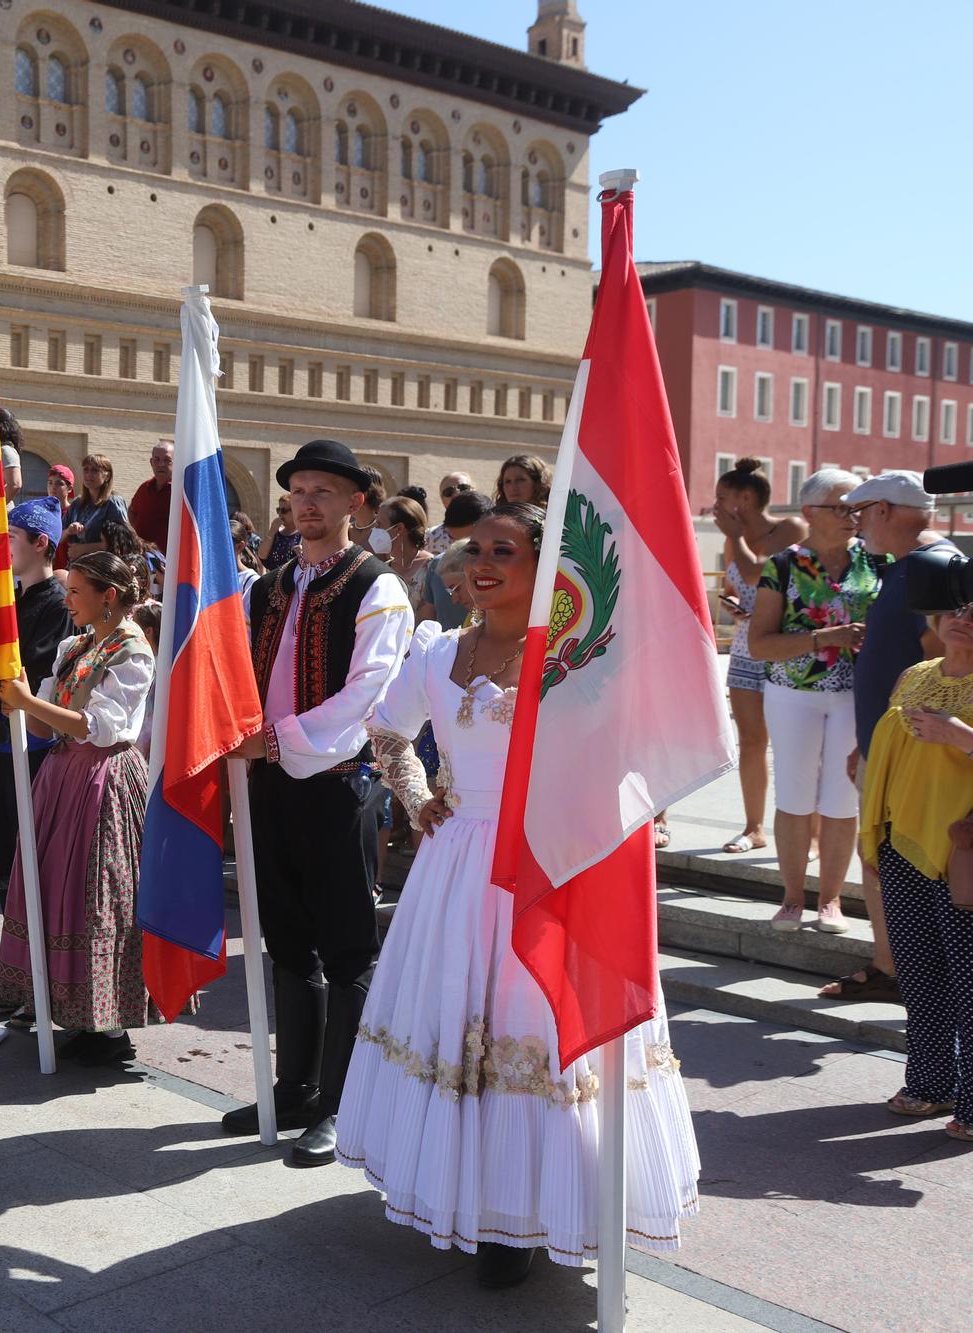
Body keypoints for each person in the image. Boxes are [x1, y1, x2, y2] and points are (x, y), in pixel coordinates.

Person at [339, 502, 701, 1287]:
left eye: (505, 549)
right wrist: (416, 795)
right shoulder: (437, 652)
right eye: (474, 547)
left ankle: (534, 1212)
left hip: (546, 865)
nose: (481, 561)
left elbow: (631, 745)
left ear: (547, 567)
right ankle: (467, 1193)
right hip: (456, 866)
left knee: (539, 1027)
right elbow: (388, 728)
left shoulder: (572, 659)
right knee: (458, 1023)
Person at [225, 438, 414, 1167]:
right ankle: (294, 1085)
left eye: (323, 492)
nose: (307, 503)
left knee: (346, 946)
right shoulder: (265, 586)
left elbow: (367, 694)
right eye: (298, 492)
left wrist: (276, 740)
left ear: (355, 502)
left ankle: (343, 1102)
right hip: (269, 781)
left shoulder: (377, 586)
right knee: (284, 937)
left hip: (336, 783)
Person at [0, 552, 159, 1065]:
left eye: (77, 590)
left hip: (103, 779)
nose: (68, 598)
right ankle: (62, 1004)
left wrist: (28, 703)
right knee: (54, 889)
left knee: (98, 894)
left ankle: (109, 1026)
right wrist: (16, 699)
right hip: (63, 776)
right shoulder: (75, 645)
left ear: (108, 596)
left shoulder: (134, 652)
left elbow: (96, 726)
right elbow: (47, 727)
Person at [829, 472, 958, 1001]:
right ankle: (891, 966)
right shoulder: (912, 567)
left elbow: (940, 660)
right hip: (893, 744)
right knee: (883, 858)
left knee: (905, 861)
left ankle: (914, 974)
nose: (855, 526)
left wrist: (895, 743)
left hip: (918, 752)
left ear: (884, 510)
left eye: (859, 513)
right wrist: (870, 742)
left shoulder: (933, 567)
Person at [748, 468, 882, 932]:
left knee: (843, 799)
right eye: (842, 507)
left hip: (854, 694)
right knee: (795, 794)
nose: (852, 516)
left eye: (857, 508)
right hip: (793, 693)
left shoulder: (876, 562)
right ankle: (791, 898)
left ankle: (831, 902)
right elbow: (761, 644)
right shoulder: (782, 565)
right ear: (809, 512)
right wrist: (829, 636)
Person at [858, 600, 973, 1140]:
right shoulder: (915, 675)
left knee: (970, 981)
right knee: (922, 973)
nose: (963, 618)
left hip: (964, 851)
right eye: (956, 608)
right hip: (903, 840)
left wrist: (958, 736)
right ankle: (930, 1082)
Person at [714, 458, 810, 857]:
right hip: (745, 650)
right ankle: (754, 828)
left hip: (787, 652)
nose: (714, 505)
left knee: (798, 745)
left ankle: (812, 834)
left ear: (746, 498)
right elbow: (743, 588)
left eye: (721, 497)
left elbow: (759, 575)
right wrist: (736, 605)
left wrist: (736, 537)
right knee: (751, 742)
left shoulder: (792, 530)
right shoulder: (729, 538)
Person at [0, 498, 73, 916]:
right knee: (2, 859)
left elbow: (35, 671)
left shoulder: (56, 604)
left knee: (30, 859)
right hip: (0, 741)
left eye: (12, 538)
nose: (4, 547)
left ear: (41, 543)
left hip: (33, 745)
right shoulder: (8, 601)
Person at [414, 491, 491, 629]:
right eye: (454, 539)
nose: (463, 551)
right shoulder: (438, 565)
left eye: (473, 546)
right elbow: (426, 619)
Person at [369, 495, 433, 608]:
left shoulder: (431, 568)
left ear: (399, 528)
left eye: (379, 524)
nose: (374, 530)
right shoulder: (382, 571)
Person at [64, 454, 128, 560]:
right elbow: (58, 536)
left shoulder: (113, 502)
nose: (89, 474)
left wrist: (84, 548)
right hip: (76, 566)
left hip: (101, 567)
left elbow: (122, 542)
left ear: (107, 476)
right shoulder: (77, 503)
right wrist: (68, 531)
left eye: (94, 470)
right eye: (86, 470)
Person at [126, 441, 175, 550]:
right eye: (156, 460)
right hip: (143, 557)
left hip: (169, 559)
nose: (161, 464)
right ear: (151, 462)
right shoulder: (145, 487)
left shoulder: (181, 492)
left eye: (167, 460)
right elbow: (132, 511)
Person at [425, 472, 476, 553]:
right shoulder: (429, 537)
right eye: (449, 492)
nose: (456, 494)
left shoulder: (491, 530)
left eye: (463, 488)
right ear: (442, 499)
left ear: (474, 491)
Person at [261, 492, 302, 572]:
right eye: (278, 510)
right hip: (275, 579)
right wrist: (272, 531)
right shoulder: (276, 533)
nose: (280, 514)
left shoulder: (304, 534)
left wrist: (302, 553)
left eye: (284, 510)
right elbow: (262, 556)